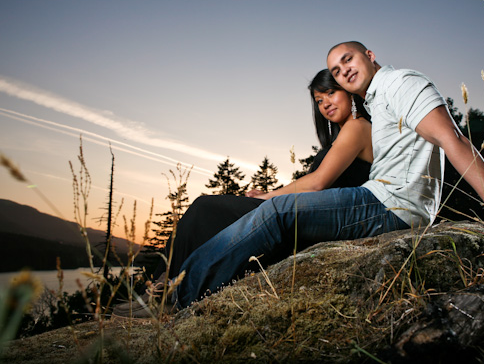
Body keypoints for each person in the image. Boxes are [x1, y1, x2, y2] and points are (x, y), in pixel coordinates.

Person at [168, 41, 484, 310]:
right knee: (277, 215)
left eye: (347, 60)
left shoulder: (401, 83)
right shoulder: (377, 101)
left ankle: (179, 296)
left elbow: (453, 140)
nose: (342, 71)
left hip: (390, 204)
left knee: (279, 212)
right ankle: (188, 290)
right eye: (335, 70)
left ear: (369, 55)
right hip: (380, 199)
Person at [113, 69, 374, 317]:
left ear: (349, 92)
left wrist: (267, 197)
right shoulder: (343, 134)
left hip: (312, 221)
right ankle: (162, 288)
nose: (325, 103)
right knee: (205, 215)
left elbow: (317, 183)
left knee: (205, 209)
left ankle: (163, 292)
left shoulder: (358, 126)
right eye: (318, 100)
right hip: (302, 215)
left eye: (331, 93)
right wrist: (271, 193)